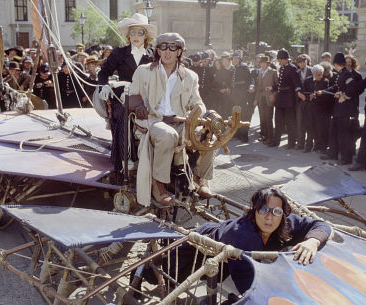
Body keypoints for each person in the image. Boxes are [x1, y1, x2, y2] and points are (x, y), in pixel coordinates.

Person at [138, 187, 331, 298]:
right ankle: (138, 274)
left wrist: (313, 241)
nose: (269, 217)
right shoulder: (242, 235)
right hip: (198, 247)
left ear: (284, 214)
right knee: (158, 274)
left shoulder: (286, 224)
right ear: (254, 211)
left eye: (276, 211)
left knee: (220, 274)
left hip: (227, 259)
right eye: (263, 210)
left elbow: (320, 224)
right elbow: (247, 286)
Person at [129, 32, 213, 206]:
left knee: (209, 133)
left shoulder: (190, 76)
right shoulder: (144, 71)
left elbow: (198, 102)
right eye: (163, 47)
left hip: (180, 121)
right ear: (158, 51)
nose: (168, 51)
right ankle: (158, 185)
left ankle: (199, 178)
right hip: (152, 121)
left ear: (179, 52)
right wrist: (138, 107)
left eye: (173, 47)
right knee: (168, 135)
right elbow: (132, 96)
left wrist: (200, 115)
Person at [98, 13, 156, 176]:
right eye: (132, 32)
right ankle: (126, 159)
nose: (135, 36)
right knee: (124, 113)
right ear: (128, 35)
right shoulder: (119, 53)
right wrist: (105, 86)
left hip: (146, 97)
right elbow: (103, 73)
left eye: (140, 32)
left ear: (146, 36)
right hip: (122, 96)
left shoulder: (153, 55)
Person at [319, 53, 360, 164]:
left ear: (337, 64)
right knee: (334, 132)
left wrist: (344, 96)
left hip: (345, 110)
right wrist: (323, 91)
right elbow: (336, 87)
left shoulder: (347, 74)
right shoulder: (341, 74)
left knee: (343, 134)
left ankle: (346, 158)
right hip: (338, 109)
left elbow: (353, 88)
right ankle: (333, 154)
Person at [269, 49, 302, 148]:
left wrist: (298, 92)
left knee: (290, 121)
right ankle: (276, 141)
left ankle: (291, 142)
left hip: (288, 98)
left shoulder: (292, 68)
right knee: (278, 120)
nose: (278, 61)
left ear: (285, 59)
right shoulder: (282, 68)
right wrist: (273, 88)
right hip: (280, 98)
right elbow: (280, 83)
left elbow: (297, 83)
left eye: (279, 59)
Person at [299, 64, 329, 153]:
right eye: (318, 74)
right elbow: (304, 92)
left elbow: (326, 94)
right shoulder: (307, 80)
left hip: (320, 108)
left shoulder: (325, 81)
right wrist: (309, 97)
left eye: (321, 74)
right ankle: (308, 146)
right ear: (313, 74)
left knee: (320, 128)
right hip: (309, 107)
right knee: (309, 127)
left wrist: (319, 95)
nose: (320, 76)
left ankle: (320, 147)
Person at [254, 56, 278, 144]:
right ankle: (264, 135)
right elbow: (258, 87)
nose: (262, 65)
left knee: (268, 118)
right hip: (261, 98)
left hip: (269, 97)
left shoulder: (273, 72)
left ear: (268, 64)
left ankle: (270, 137)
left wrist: (273, 94)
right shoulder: (260, 72)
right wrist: (256, 99)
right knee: (262, 118)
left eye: (264, 63)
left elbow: (278, 86)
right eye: (261, 63)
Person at [295, 54, 313, 149]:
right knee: (300, 122)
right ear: (298, 64)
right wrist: (298, 92)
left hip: (310, 100)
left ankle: (309, 144)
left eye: (304, 62)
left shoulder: (312, 70)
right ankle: (300, 143)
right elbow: (295, 85)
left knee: (309, 123)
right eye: (300, 63)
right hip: (300, 100)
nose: (302, 64)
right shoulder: (297, 72)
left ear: (306, 62)